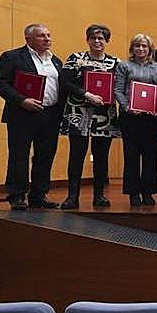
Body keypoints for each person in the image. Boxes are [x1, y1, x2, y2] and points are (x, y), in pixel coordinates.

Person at [0, 23, 64, 210]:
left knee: (45, 156)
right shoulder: (12, 57)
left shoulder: (56, 61)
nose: (47, 39)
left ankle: (39, 195)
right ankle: (16, 195)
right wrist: (22, 100)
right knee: (19, 155)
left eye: (49, 35)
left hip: (50, 114)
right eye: (41, 36)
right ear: (28, 38)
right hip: (21, 114)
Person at [58, 24, 121, 209]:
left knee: (101, 157)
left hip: (104, 116)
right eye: (93, 38)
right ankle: (72, 196)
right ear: (87, 40)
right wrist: (86, 94)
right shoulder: (76, 58)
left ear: (107, 41)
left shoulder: (116, 62)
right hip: (78, 113)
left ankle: (99, 195)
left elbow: (119, 87)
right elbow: (64, 82)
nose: (97, 41)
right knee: (76, 155)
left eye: (101, 38)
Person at [114, 34, 157, 206]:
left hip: (153, 119)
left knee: (151, 156)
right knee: (131, 156)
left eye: (144, 46)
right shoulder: (124, 66)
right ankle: (133, 193)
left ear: (150, 49)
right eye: (137, 46)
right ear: (132, 48)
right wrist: (128, 107)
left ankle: (148, 192)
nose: (141, 49)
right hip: (130, 118)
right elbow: (118, 91)